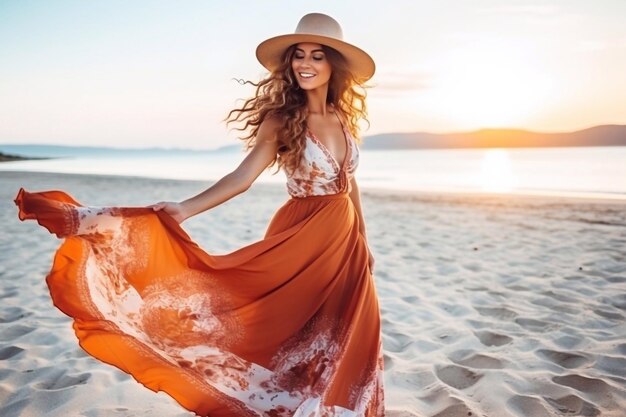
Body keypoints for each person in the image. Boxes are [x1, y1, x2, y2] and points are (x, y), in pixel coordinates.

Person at [15, 12, 384, 417]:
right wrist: (185, 208)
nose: (306, 64)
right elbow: (242, 177)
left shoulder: (344, 119)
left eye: (317, 56)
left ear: (334, 64)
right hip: (301, 236)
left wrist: (363, 239)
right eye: (299, 56)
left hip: (344, 240)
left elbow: (350, 184)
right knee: (291, 325)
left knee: (342, 329)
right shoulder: (282, 120)